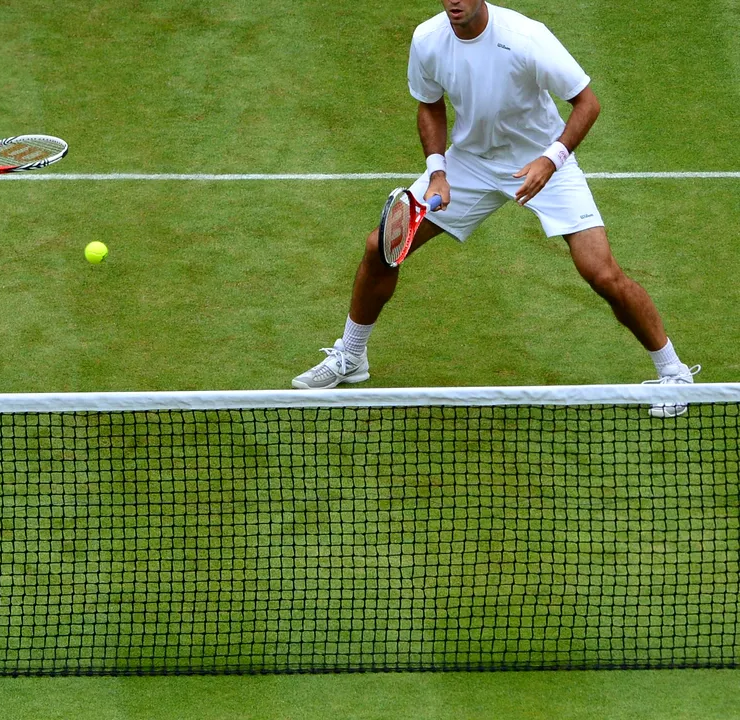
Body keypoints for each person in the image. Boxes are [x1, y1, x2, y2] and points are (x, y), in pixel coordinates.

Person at [291, 0, 699, 417]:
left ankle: (675, 373)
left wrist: (551, 159)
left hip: (542, 159)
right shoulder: (428, 39)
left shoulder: (527, 37)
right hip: (470, 163)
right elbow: (429, 104)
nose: (454, 1)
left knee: (601, 273)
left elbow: (587, 103)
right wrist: (437, 171)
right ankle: (352, 356)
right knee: (381, 247)